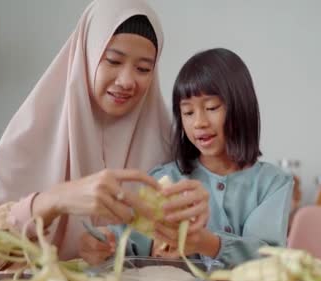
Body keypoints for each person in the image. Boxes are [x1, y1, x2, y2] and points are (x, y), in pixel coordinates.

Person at [0, 0, 193, 271]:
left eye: (143, 69)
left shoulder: (170, 142)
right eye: (113, 61)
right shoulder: (37, 129)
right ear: (87, 56)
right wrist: (55, 200)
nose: (127, 81)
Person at [80, 48, 294, 267]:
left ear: (241, 107)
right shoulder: (165, 178)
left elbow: (270, 257)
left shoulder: (274, 183)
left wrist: (206, 243)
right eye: (188, 112)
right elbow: (133, 238)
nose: (199, 122)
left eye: (211, 107)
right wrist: (102, 240)